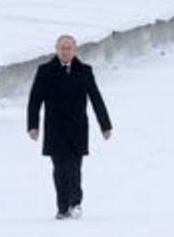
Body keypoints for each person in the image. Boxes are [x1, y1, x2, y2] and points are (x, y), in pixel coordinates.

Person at [27, 34, 112, 221]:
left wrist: (105, 125)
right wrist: (33, 126)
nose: (65, 52)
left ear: (74, 50)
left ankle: (75, 202)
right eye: (62, 48)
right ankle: (62, 208)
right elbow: (35, 100)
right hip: (54, 128)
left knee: (74, 168)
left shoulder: (85, 71)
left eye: (69, 48)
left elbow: (96, 98)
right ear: (56, 49)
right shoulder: (45, 71)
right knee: (59, 169)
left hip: (77, 128)